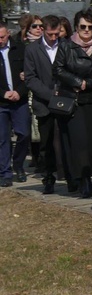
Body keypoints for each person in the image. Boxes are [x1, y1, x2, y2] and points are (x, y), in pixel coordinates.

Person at [53, 10, 92, 198]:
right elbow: (58, 69)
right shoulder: (66, 46)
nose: (86, 31)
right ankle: (82, 179)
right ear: (76, 27)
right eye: (83, 27)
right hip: (73, 100)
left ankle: (89, 176)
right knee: (79, 141)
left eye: (90, 27)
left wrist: (89, 83)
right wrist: (77, 82)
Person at [24, 15, 64, 194]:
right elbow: (31, 78)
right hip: (44, 102)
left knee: (66, 140)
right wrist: (50, 95)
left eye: (56, 34)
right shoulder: (33, 49)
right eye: (50, 35)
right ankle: (48, 177)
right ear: (43, 31)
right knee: (46, 143)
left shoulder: (65, 45)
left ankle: (71, 177)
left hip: (65, 100)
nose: (54, 38)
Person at [0, 22, 30, 187]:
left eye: (2, 37)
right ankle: (5, 172)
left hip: (20, 99)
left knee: (24, 133)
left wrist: (20, 91)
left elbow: (29, 73)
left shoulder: (20, 49)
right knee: (2, 138)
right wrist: (3, 93)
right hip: (1, 101)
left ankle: (18, 164)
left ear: (8, 34)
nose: (0, 41)